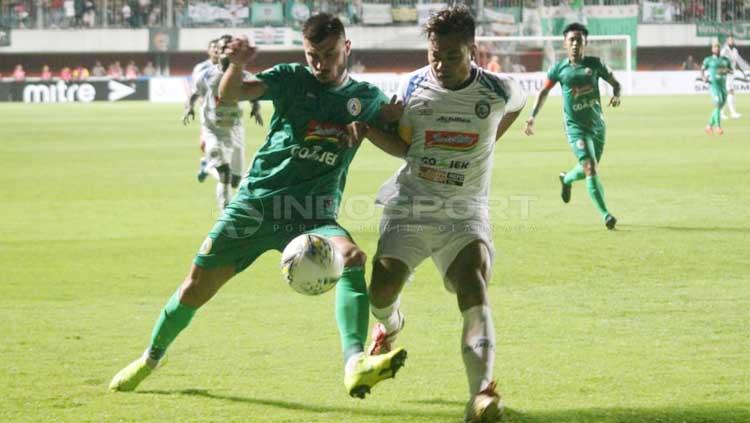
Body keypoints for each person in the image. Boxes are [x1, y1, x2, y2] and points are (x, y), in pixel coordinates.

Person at [109, 13, 408, 398]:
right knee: (193, 289)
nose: (320, 64)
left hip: (312, 215)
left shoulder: (366, 99)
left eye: (329, 54)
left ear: (346, 48)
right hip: (255, 207)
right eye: (312, 55)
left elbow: (402, 146)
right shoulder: (292, 79)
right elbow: (232, 93)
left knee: (351, 257)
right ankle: (149, 359)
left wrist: (389, 123)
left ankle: (355, 363)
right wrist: (236, 64)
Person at [360, 6, 525, 423]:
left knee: (473, 285)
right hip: (411, 203)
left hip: (464, 212)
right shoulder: (412, 86)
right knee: (381, 287)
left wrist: (489, 142)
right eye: (435, 53)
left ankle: (481, 395)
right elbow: (404, 146)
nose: (441, 63)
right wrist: (372, 128)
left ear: (472, 49)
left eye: (451, 55)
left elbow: (518, 105)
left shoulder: (500, 90)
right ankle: (391, 323)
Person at [524, 22, 621, 230]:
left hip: (598, 127)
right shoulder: (559, 69)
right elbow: (543, 92)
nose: (575, 44)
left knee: (588, 167)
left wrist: (616, 95)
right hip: (575, 127)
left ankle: (566, 179)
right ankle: (606, 215)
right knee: (590, 167)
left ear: (586, 42)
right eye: (571, 40)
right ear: (565, 43)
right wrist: (532, 117)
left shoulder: (596, 64)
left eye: (579, 40)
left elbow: (616, 83)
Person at [184, 38, 263, 186]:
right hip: (211, 119)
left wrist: (255, 108)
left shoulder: (241, 73)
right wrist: (191, 107)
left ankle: (208, 167)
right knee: (214, 154)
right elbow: (196, 91)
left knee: (235, 180)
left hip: (234, 123)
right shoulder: (204, 71)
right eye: (217, 49)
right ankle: (212, 167)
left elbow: (252, 91)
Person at [701, 40, 732, 135]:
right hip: (714, 86)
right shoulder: (708, 60)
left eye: (718, 47)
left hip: (723, 86)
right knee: (718, 104)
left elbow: (730, 70)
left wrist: (723, 71)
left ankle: (709, 126)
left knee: (719, 107)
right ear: (712, 49)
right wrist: (703, 78)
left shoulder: (725, 60)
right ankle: (718, 127)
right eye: (715, 47)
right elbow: (702, 69)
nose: (716, 48)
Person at [720, 36, 748, 119]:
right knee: (730, 92)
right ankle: (732, 113)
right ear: (727, 41)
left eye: (732, 40)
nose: (731, 41)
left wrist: (743, 71)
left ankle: (725, 113)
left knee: (729, 93)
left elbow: (737, 62)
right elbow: (721, 61)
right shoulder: (724, 50)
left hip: (732, 73)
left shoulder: (735, 50)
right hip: (725, 73)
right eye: (730, 40)